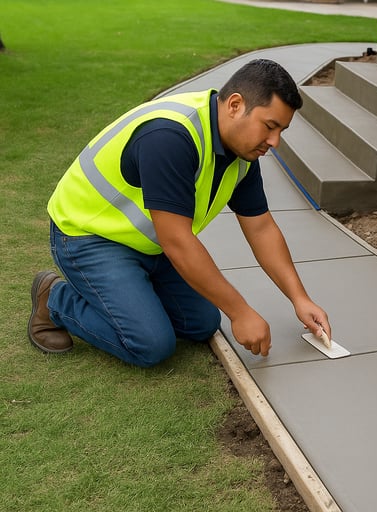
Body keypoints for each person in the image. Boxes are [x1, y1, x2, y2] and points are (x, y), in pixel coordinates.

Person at [28, 59, 330, 368]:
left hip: (149, 244)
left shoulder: (243, 154)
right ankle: (54, 299)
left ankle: (134, 289)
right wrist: (240, 312)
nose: (274, 142)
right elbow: (177, 242)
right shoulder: (170, 136)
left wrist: (299, 298)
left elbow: (261, 228)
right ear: (236, 105)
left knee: (202, 322)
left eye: (281, 130)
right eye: (270, 126)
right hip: (88, 236)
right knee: (151, 344)